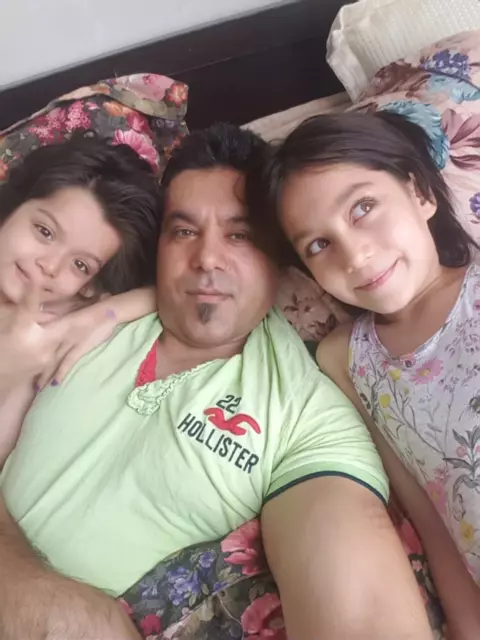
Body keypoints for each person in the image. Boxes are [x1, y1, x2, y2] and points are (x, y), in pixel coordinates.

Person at [0, 123, 432, 640]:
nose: (206, 258)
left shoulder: (304, 416)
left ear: (280, 256)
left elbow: (364, 611)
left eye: (240, 234)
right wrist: (45, 603)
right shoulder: (75, 307)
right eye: (183, 232)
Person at [253, 110, 480, 639]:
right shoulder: (346, 359)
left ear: (420, 193)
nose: (354, 255)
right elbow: (431, 512)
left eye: (363, 207)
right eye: (318, 245)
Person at [0, 135, 159, 464]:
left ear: (92, 288)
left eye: (80, 265)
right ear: (14, 207)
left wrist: (108, 312)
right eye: (44, 231)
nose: (50, 266)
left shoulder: (64, 326)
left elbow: (177, 292)